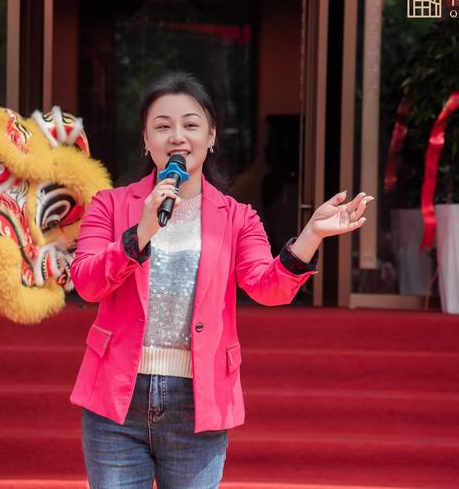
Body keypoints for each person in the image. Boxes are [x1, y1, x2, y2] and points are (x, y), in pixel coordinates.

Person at [69, 72, 373, 488]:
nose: (178, 137)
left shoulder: (237, 217)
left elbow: (268, 288)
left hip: (199, 400)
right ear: (146, 139)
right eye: (163, 126)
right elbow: (86, 283)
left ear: (211, 136)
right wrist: (140, 233)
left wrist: (311, 235)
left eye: (191, 124)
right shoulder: (110, 205)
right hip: (116, 398)